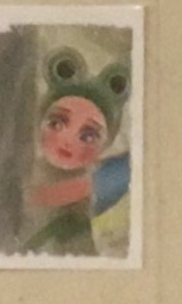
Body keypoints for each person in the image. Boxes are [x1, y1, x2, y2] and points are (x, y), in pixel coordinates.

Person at [22, 52, 132, 257]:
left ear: (105, 144)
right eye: (56, 124)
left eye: (88, 136)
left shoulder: (92, 187)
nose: (67, 140)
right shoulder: (18, 170)